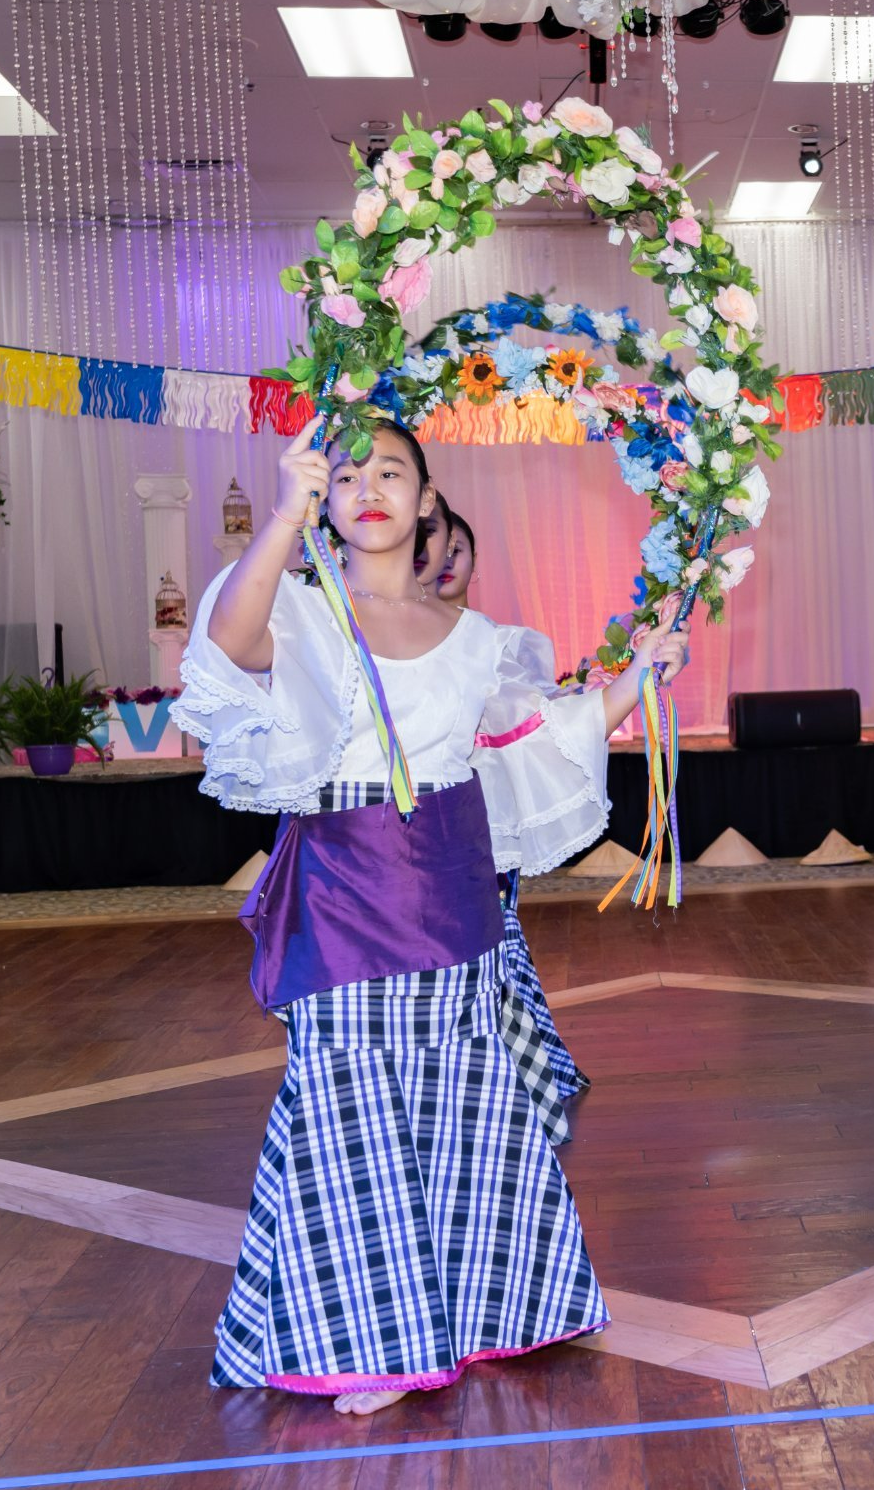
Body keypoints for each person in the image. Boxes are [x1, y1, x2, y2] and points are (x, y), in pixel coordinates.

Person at [175, 421, 687, 1413]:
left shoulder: (478, 640)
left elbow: (545, 735)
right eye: (350, 472)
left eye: (392, 472)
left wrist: (638, 676)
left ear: (425, 501)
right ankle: (365, 1337)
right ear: (325, 495)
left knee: (461, 1114)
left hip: (450, 899)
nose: (369, 486)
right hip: (340, 895)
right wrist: (283, 510)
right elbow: (230, 644)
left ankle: (477, 1314)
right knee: (348, 1112)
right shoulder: (305, 609)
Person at [418, 491, 589, 1142]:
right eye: (437, 545)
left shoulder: (498, 644)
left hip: (488, 825)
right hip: (422, 824)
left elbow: (533, 718)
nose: (446, 558)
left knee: (498, 946)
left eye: (459, 548)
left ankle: (525, 1073)